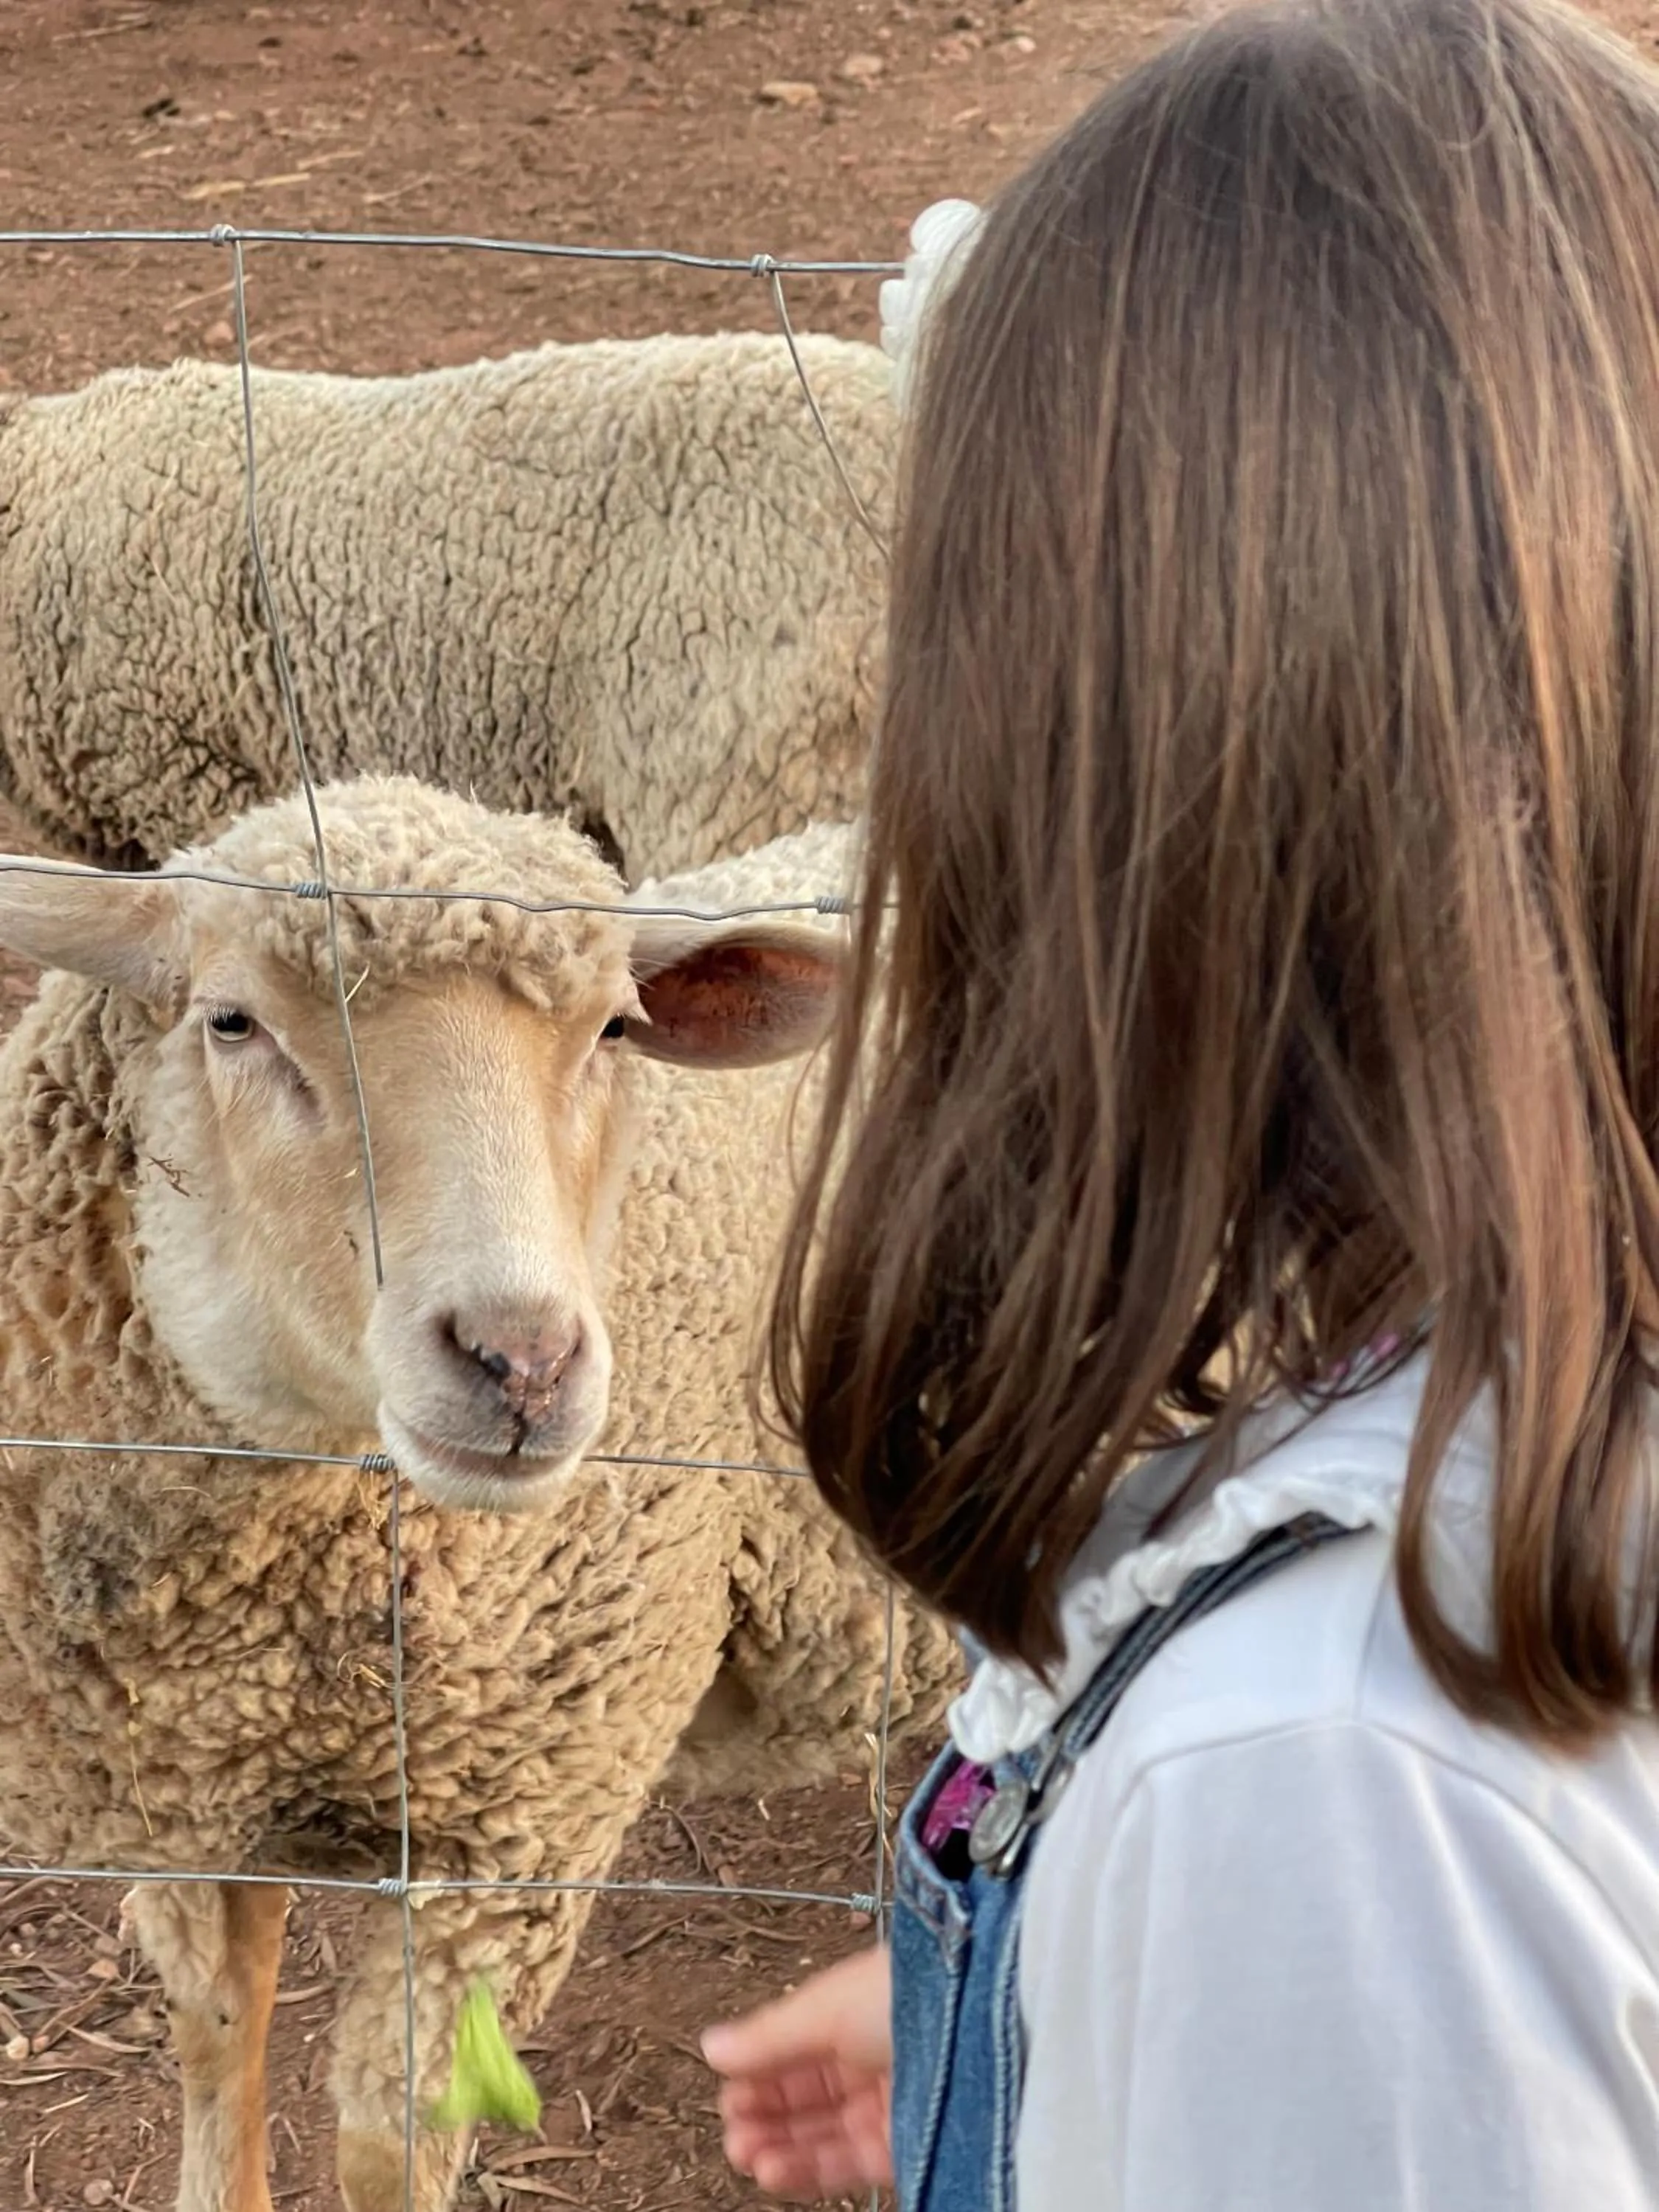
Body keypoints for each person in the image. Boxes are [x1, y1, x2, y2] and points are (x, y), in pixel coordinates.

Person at [698, 0, 1659, 2201]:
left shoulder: (1336, 1782)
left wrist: (1230, 1941)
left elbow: (1384, 1941)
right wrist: (1077, 2002)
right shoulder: (1523, 1468)